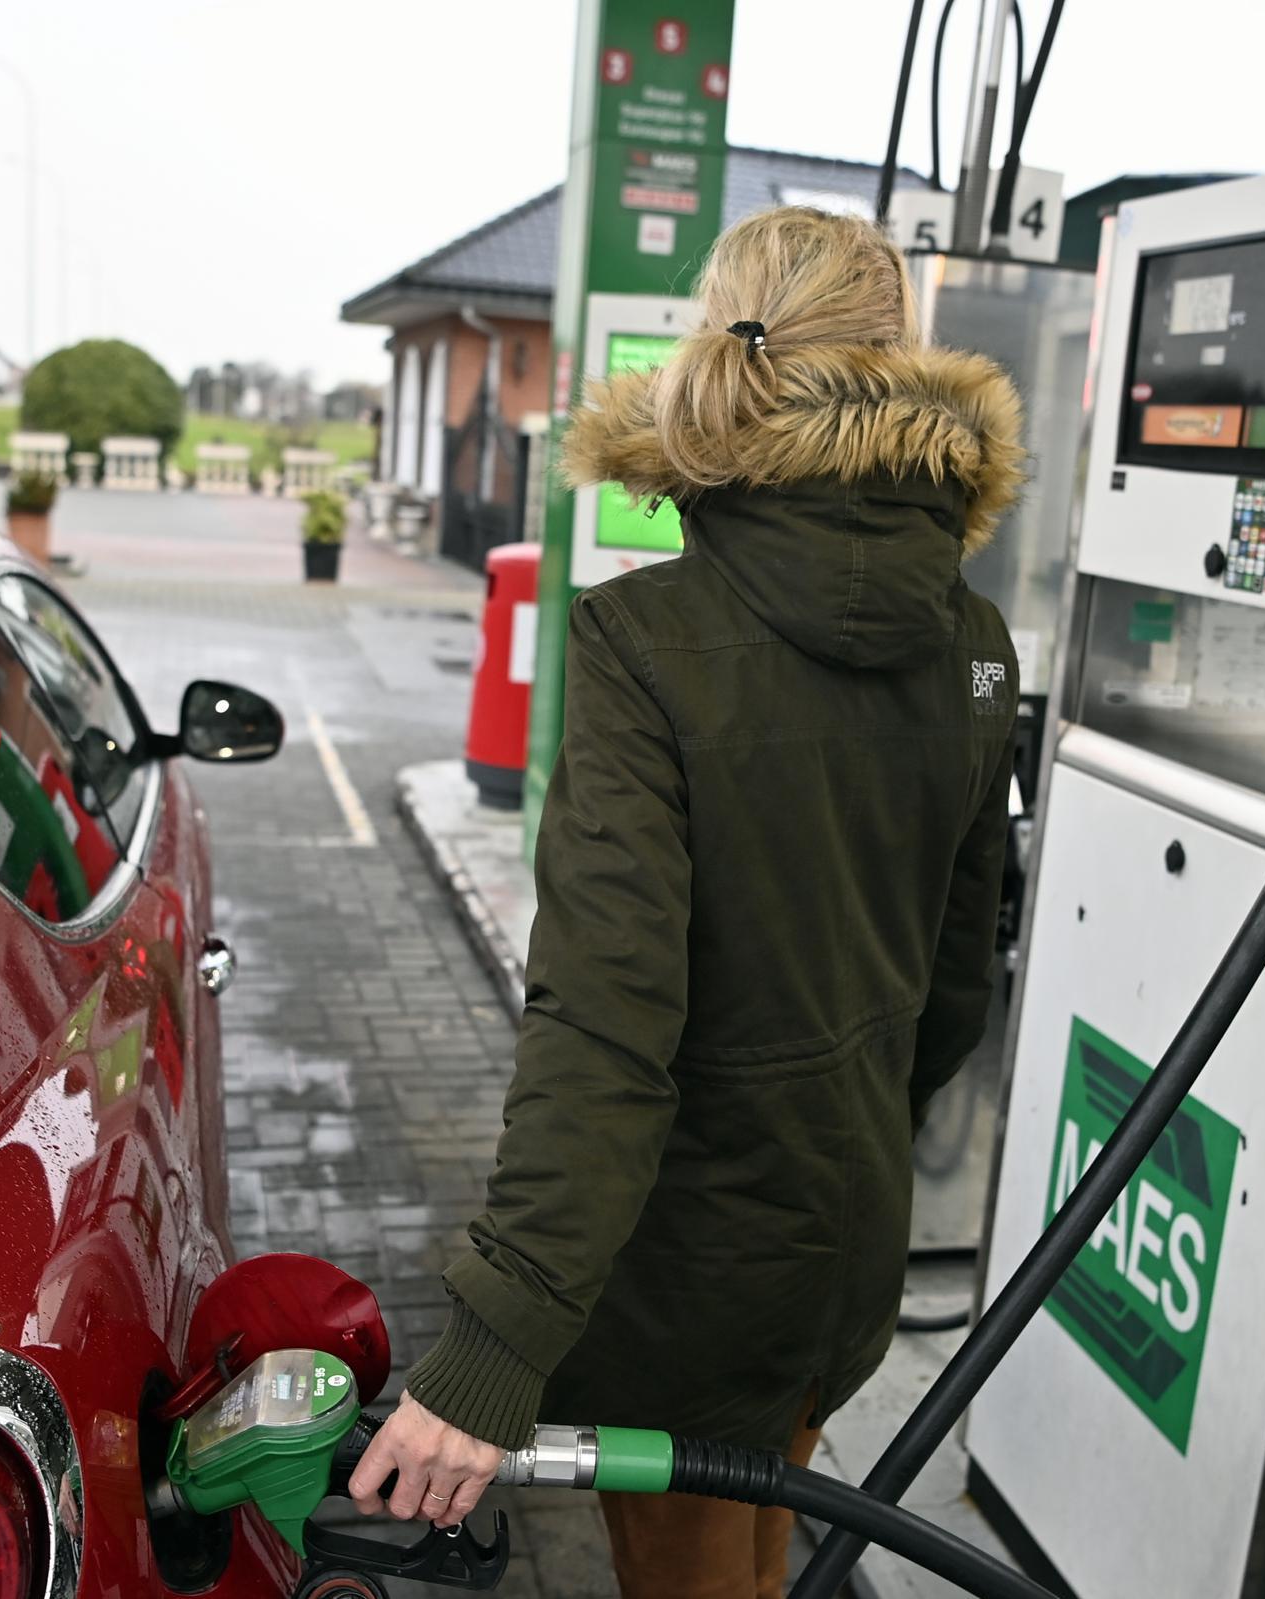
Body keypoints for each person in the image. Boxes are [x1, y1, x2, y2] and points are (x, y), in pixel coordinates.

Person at [348, 205, 1026, 1598]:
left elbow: (605, 1026)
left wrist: (490, 1355)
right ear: (896, 361)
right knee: (761, 1544)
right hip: (843, 1252)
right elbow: (961, 978)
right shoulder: (974, 643)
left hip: (685, 1284)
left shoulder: (644, 642)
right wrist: (843, 1124)